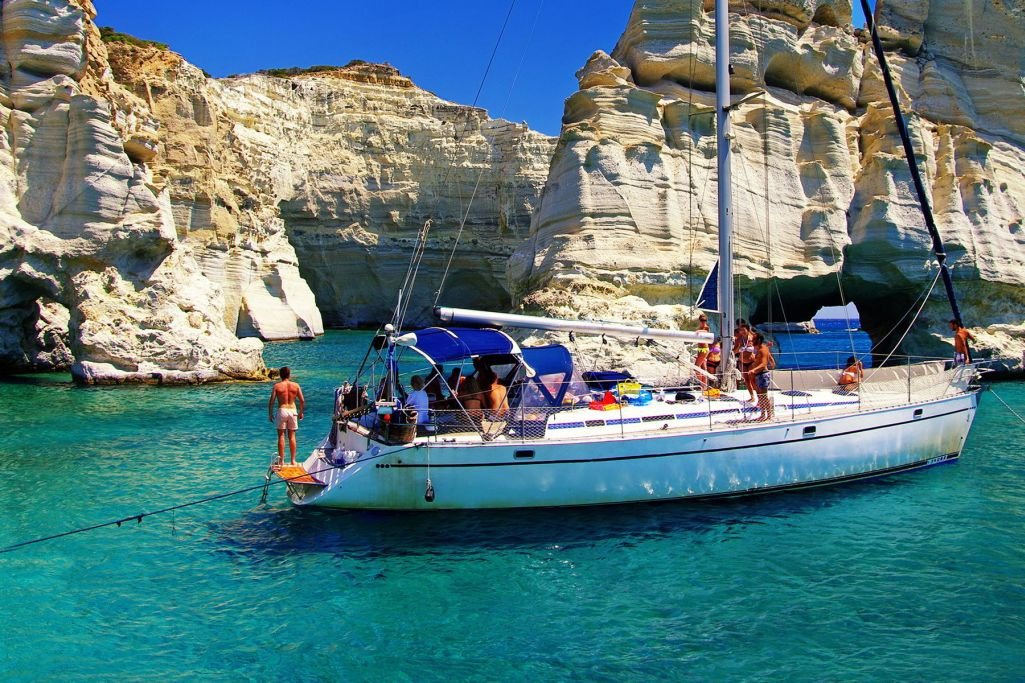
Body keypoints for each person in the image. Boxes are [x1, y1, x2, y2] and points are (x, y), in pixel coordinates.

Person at [268, 366, 305, 468]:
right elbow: (302, 401)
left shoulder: (277, 386)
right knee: (292, 436)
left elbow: (271, 401)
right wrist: (301, 412)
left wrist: (270, 413)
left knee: (281, 436)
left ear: (280, 375)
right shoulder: (296, 385)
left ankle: (281, 461)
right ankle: (293, 461)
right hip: (293, 411)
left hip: (282, 410)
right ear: (289, 375)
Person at [748, 333, 775, 421]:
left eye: (753, 339)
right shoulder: (761, 348)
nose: (752, 341)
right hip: (758, 375)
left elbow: (763, 364)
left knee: (764, 396)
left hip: (763, 375)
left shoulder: (762, 350)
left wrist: (753, 370)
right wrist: (772, 361)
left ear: (758, 340)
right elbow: (769, 356)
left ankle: (769, 415)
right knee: (760, 396)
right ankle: (763, 415)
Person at [734, 321, 756, 402]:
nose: (742, 332)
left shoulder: (753, 337)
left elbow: (760, 347)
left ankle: (760, 397)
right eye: (740, 330)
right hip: (742, 362)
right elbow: (734, 351)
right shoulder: (739, 339)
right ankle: (752, 396)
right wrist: (739, 348)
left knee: (753, 380)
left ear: (747, 330)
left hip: (751, 361)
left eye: (743, 330)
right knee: (746, 380)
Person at [694, 314, 711, 387]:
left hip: (704, 349)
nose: (703, 322)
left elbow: (706, 332)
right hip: (700, 349)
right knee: (703, 368)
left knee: (696, 367)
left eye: (705, 320)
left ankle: (702, 385)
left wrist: (699, 331)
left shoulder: (706, 328)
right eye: (702, 320)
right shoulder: (698, 328)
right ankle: (704, 386)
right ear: (699, 320)